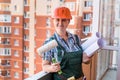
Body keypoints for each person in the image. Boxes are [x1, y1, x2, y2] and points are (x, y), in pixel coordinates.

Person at [42, 6, 91, 80]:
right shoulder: (48, 43)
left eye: (63, 20)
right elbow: (45, 66)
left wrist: (86, 60)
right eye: (57, 20)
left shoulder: (76, 39)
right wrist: (52, 68)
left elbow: (85, 61)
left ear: (68, 21)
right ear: (53, 21)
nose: (60, 23)